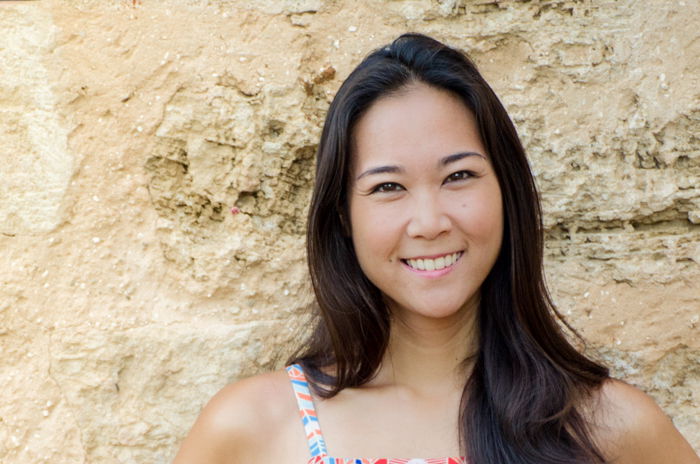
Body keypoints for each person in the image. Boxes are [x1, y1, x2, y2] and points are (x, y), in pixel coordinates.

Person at [172, 33, 699, 464]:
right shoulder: (252, 429)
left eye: (459, 176)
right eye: (387, 187)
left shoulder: (609, 429)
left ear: (506, 192)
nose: (428, 222)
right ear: (343, 218)